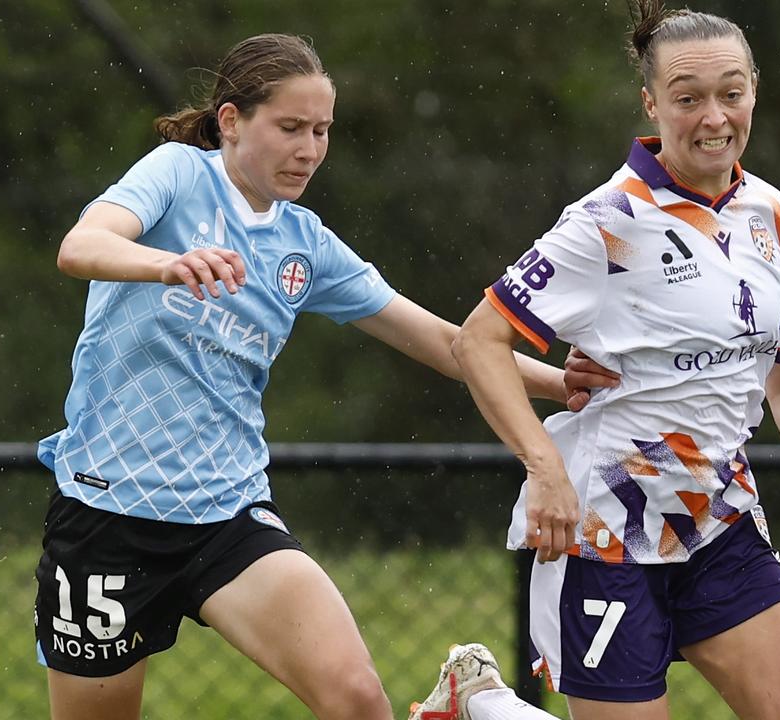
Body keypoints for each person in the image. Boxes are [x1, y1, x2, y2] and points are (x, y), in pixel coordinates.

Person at [32, 33, 611, 720]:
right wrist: (164, 264)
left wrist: (557, 384)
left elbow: (443, 340)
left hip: (226, 517)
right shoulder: (178, 175)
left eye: (321, 131)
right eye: (290, 128)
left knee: (359, 701)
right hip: (106, 516)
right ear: (231, 121)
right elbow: (80, 247)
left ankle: (459, 702)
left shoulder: (304, 244)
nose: (309, 149)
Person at [448, 2, 780, 719]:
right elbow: (477, 341)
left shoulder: (770, 214)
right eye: (688, 99)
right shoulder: (607, 223)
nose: (714, 117)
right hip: (604, 533)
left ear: (754, 92)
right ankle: (485, 706)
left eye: (731, 93)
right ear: (652, 103)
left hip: (720, 519)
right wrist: (544, 471)